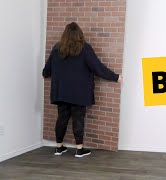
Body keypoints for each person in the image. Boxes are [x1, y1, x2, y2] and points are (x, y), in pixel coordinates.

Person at [42, 22, 122, 158]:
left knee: (61, 118)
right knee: (78, 119)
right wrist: (115, 77)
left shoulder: (57, 49)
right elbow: (98, 67)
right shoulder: (84, 48)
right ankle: (79, 149)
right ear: (79, 34)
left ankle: (58, 147)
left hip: (61, 92)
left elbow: (46, 72)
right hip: (79, 92)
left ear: (65, 34)